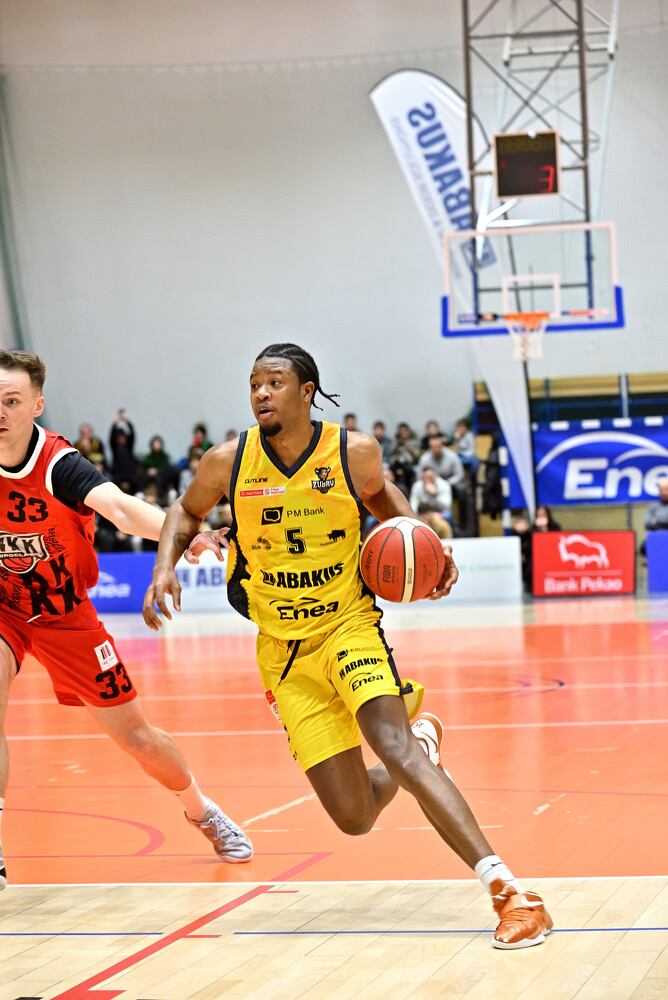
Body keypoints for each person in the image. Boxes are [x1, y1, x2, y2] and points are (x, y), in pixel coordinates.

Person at [143, 342, 551, 950]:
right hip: (283, 652)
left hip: (348, 626)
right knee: (354, 817)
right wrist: (163, 568)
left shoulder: (352, 451)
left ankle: (513, 894)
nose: (260, 393)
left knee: (394, 747)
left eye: (274, 382)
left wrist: (424, 546)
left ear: (306, 391)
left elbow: (383, 498)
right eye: (254, 383)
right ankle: (424, 744)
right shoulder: (227, 461)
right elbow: (184, 508)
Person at [0, 351, 252, 890]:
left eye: (11, 401)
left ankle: (201, 809)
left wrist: (184, 536)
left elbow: (119, 508)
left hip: (66, 615)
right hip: (4, 608)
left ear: (36, 406)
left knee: (137, 738)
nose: (0, 412)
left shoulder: (58, 464)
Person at [409, 467, 453, 539]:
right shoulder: (417, 486)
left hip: (440, 512)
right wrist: (418, 516)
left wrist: (434, 495)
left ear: (435, 476)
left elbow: (447, 506)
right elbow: (413, 506)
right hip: (423, 513)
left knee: (448, 516)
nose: (427, 480)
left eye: (430, 477)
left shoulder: (444, 485)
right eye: (424, 478)